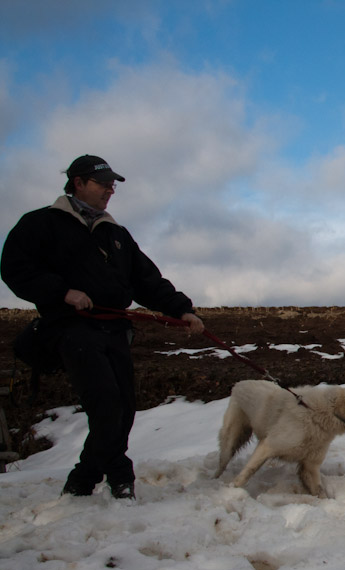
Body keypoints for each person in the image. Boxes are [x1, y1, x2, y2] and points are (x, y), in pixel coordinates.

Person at [1, 155, 205, 500]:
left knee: (124, 409)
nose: (111, 190)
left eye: (113, 185)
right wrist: (63, 292)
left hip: (116, 330)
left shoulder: (116, 234)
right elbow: (15, 269)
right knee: (106, 406)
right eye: (104, 183)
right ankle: (121, 477)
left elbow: (146, 280)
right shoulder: (40, 223)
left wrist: (181, 309)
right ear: (78, 182)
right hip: (72, 328)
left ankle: (82, 480)